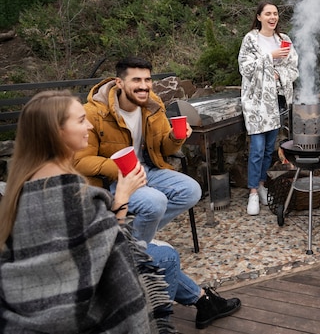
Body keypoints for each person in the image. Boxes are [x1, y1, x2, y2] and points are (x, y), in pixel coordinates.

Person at [0, 91, 241, 332]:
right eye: (81, 120)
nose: (89, 126)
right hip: (73, 305)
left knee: (184, 195)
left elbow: (77, 246)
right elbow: (110, 254)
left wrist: (175, 137)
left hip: (28, 302)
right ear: (57, 132)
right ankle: (165, 321)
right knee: (165, 257)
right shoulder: (72, 194)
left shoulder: (19, 188)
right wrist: (123, 195)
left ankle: (203, 300)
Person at [74, 57, 202, 243]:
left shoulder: (152, 105)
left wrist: (175, 137)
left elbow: (164, 148)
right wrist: (118, 169)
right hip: (112, 179)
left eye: (147, 80)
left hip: (147, 169)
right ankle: (136, 250)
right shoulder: (94, 113)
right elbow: (79, 161)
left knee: (191, 191)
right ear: (119, 83)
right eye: (136, 80)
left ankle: (133, 241)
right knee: (155, 202)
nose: (144, 86)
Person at [238, 1, 299, 215]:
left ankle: (262, 184)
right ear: (259, 16)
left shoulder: (284, 40)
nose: (273, 17)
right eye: (268, 14)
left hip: (276, 102)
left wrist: (279, 75)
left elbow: (292, 68)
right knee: (256, 148)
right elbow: (244, 67)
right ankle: (253, 192)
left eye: (275, 13)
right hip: (255, 102)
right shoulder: (251, 39)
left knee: (268, 150)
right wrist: (269, 58)